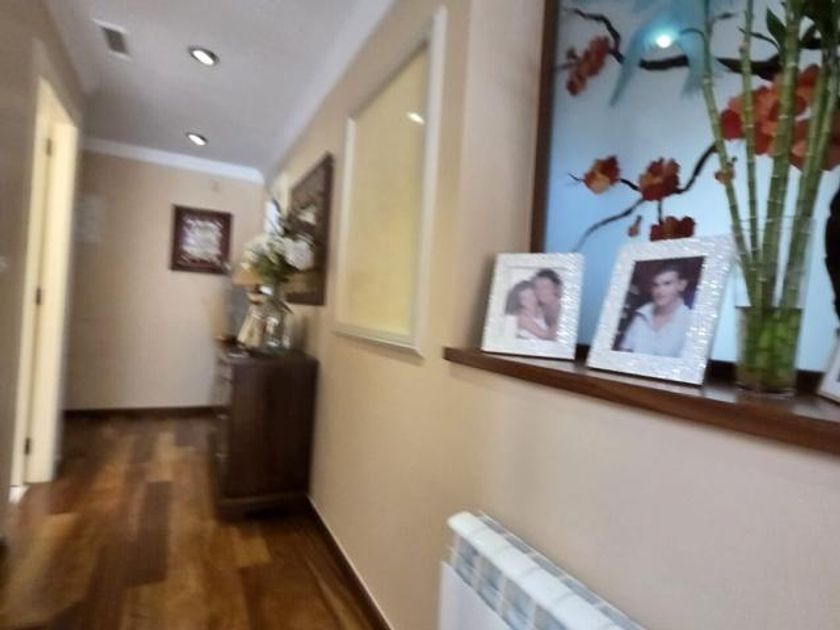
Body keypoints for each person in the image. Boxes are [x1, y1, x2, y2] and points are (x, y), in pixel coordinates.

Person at [618, 262, 692, 357]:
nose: (660, 291)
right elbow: (623, 352)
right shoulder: (641, 314)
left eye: (667, 283)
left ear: (682, 285)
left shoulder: (690, 321)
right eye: (656, 285)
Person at [533, 269, 563, 336]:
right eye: (536, 287)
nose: (539, 291)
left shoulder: (564, 312)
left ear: (556, 288)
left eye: (544, 287)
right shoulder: (536, 311)